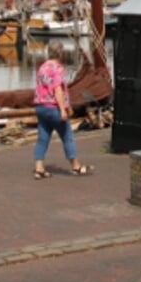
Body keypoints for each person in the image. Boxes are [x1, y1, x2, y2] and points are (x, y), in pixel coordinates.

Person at [33, 41, 93, 179]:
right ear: (60, 53)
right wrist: (63, 109)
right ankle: (75, 166)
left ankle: (39, 167)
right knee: (67, 136)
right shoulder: (57, 69)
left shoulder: (42, 68)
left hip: (41, 106)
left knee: (42, 138)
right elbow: (57, 90)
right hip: (53, 107)